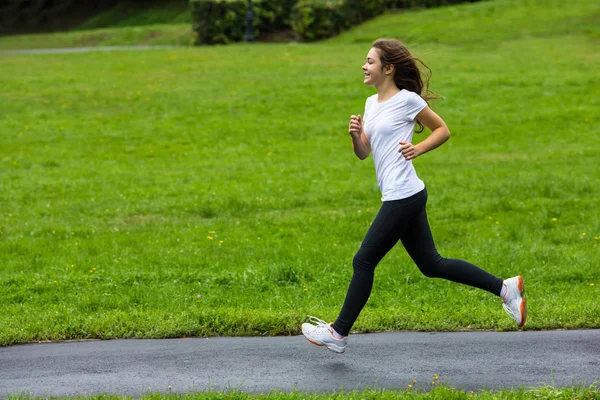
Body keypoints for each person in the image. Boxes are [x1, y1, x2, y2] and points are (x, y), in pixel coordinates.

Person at [301, 38, 527, 354]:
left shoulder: (407, 100)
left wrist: (417, 148)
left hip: (402, 196)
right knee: (431, 264)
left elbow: (442, 130)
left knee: (363, 260)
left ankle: (338, 333)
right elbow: (364, 153)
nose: (364, 67)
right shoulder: (370, 103)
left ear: (388, 68)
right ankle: (505, 288)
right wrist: (355, 137)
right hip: (402, 194)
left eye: (370, 62)